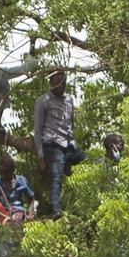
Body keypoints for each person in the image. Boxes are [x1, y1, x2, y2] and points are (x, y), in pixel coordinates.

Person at [33, 71, 87, 219]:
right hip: (53, 144)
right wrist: (41, 157)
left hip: (69, 144)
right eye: (57, 83)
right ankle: (56, 210)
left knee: (87, 162)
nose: (61, 86)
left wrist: (73, 144)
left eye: (63, 83)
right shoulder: (43, 101)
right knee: (56, 176)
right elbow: (37, 131)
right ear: (50, 83)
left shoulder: (69, 100)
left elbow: (71, 124)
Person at [0, 153, 36, 220]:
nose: (3, 176)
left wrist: (30, 214)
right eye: (1, 173)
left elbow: (31, 198)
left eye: (6, 173)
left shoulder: (22, 181)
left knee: (16, 220)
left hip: (17, 211)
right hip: (1, 211)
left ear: (12, 170)